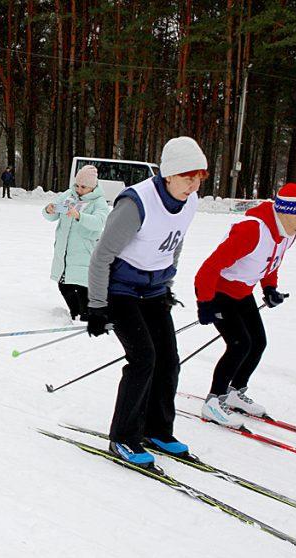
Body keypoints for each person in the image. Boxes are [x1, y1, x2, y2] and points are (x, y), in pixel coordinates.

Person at [86, 136, 208, 468]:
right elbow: (101, 256)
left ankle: (156, 430)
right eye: (187, 176)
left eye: (199, 177)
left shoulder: (190, 201)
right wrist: (97, 306)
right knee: (143, 359)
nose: (194, 184)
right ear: (168, 174)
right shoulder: (136, 203)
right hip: (122, 291)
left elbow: (174, 244)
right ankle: (123, 437)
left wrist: (166, 281)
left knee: (169, 361)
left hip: (154, 292)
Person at [195, 183, 296, 427]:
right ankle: (213, 401)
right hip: (219, 291)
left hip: (243, 292)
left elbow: (272, 262)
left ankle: (234, 392)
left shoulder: (288, 234)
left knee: (258, 342)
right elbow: (208, 269)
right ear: (286, 211)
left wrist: (269, 288)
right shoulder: (252, 230)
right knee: (239, 344)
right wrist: (205, 302)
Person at [43, 165, 108, 320]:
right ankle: (76, 313)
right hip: (64, 251)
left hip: (84, 253)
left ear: (92, 187)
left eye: (83, 187)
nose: (79, 189)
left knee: (82, 285)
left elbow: (99, 222)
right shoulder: (68, 195)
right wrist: (49, 210)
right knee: (63, 284)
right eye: (77, 185)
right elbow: (52, 216)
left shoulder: (98, 202)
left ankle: (86, 317)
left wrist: (80, 216)